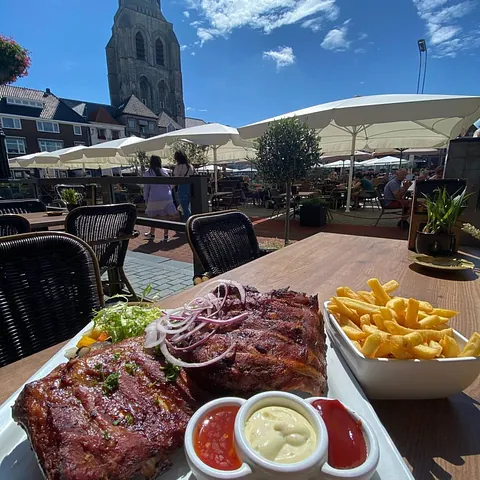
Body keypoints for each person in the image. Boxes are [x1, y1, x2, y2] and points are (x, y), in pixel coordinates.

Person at [143, 155, 177, 242]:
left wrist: (145, 198)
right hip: (167, 196)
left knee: (153, 216)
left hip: (155, 196)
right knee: (166, 216)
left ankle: (152, 234)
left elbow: (146, 187)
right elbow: (170, 185)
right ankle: (166, 235)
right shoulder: (164, 171)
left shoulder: (148, 173)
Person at [173, 150, 195, 221]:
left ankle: (187, 223)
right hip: (190, 187)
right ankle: (190, 221)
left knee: (184, 207)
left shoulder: (178, 167)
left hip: (182, 187)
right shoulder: (190, 166)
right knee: (188, 206)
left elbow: (175, 178)